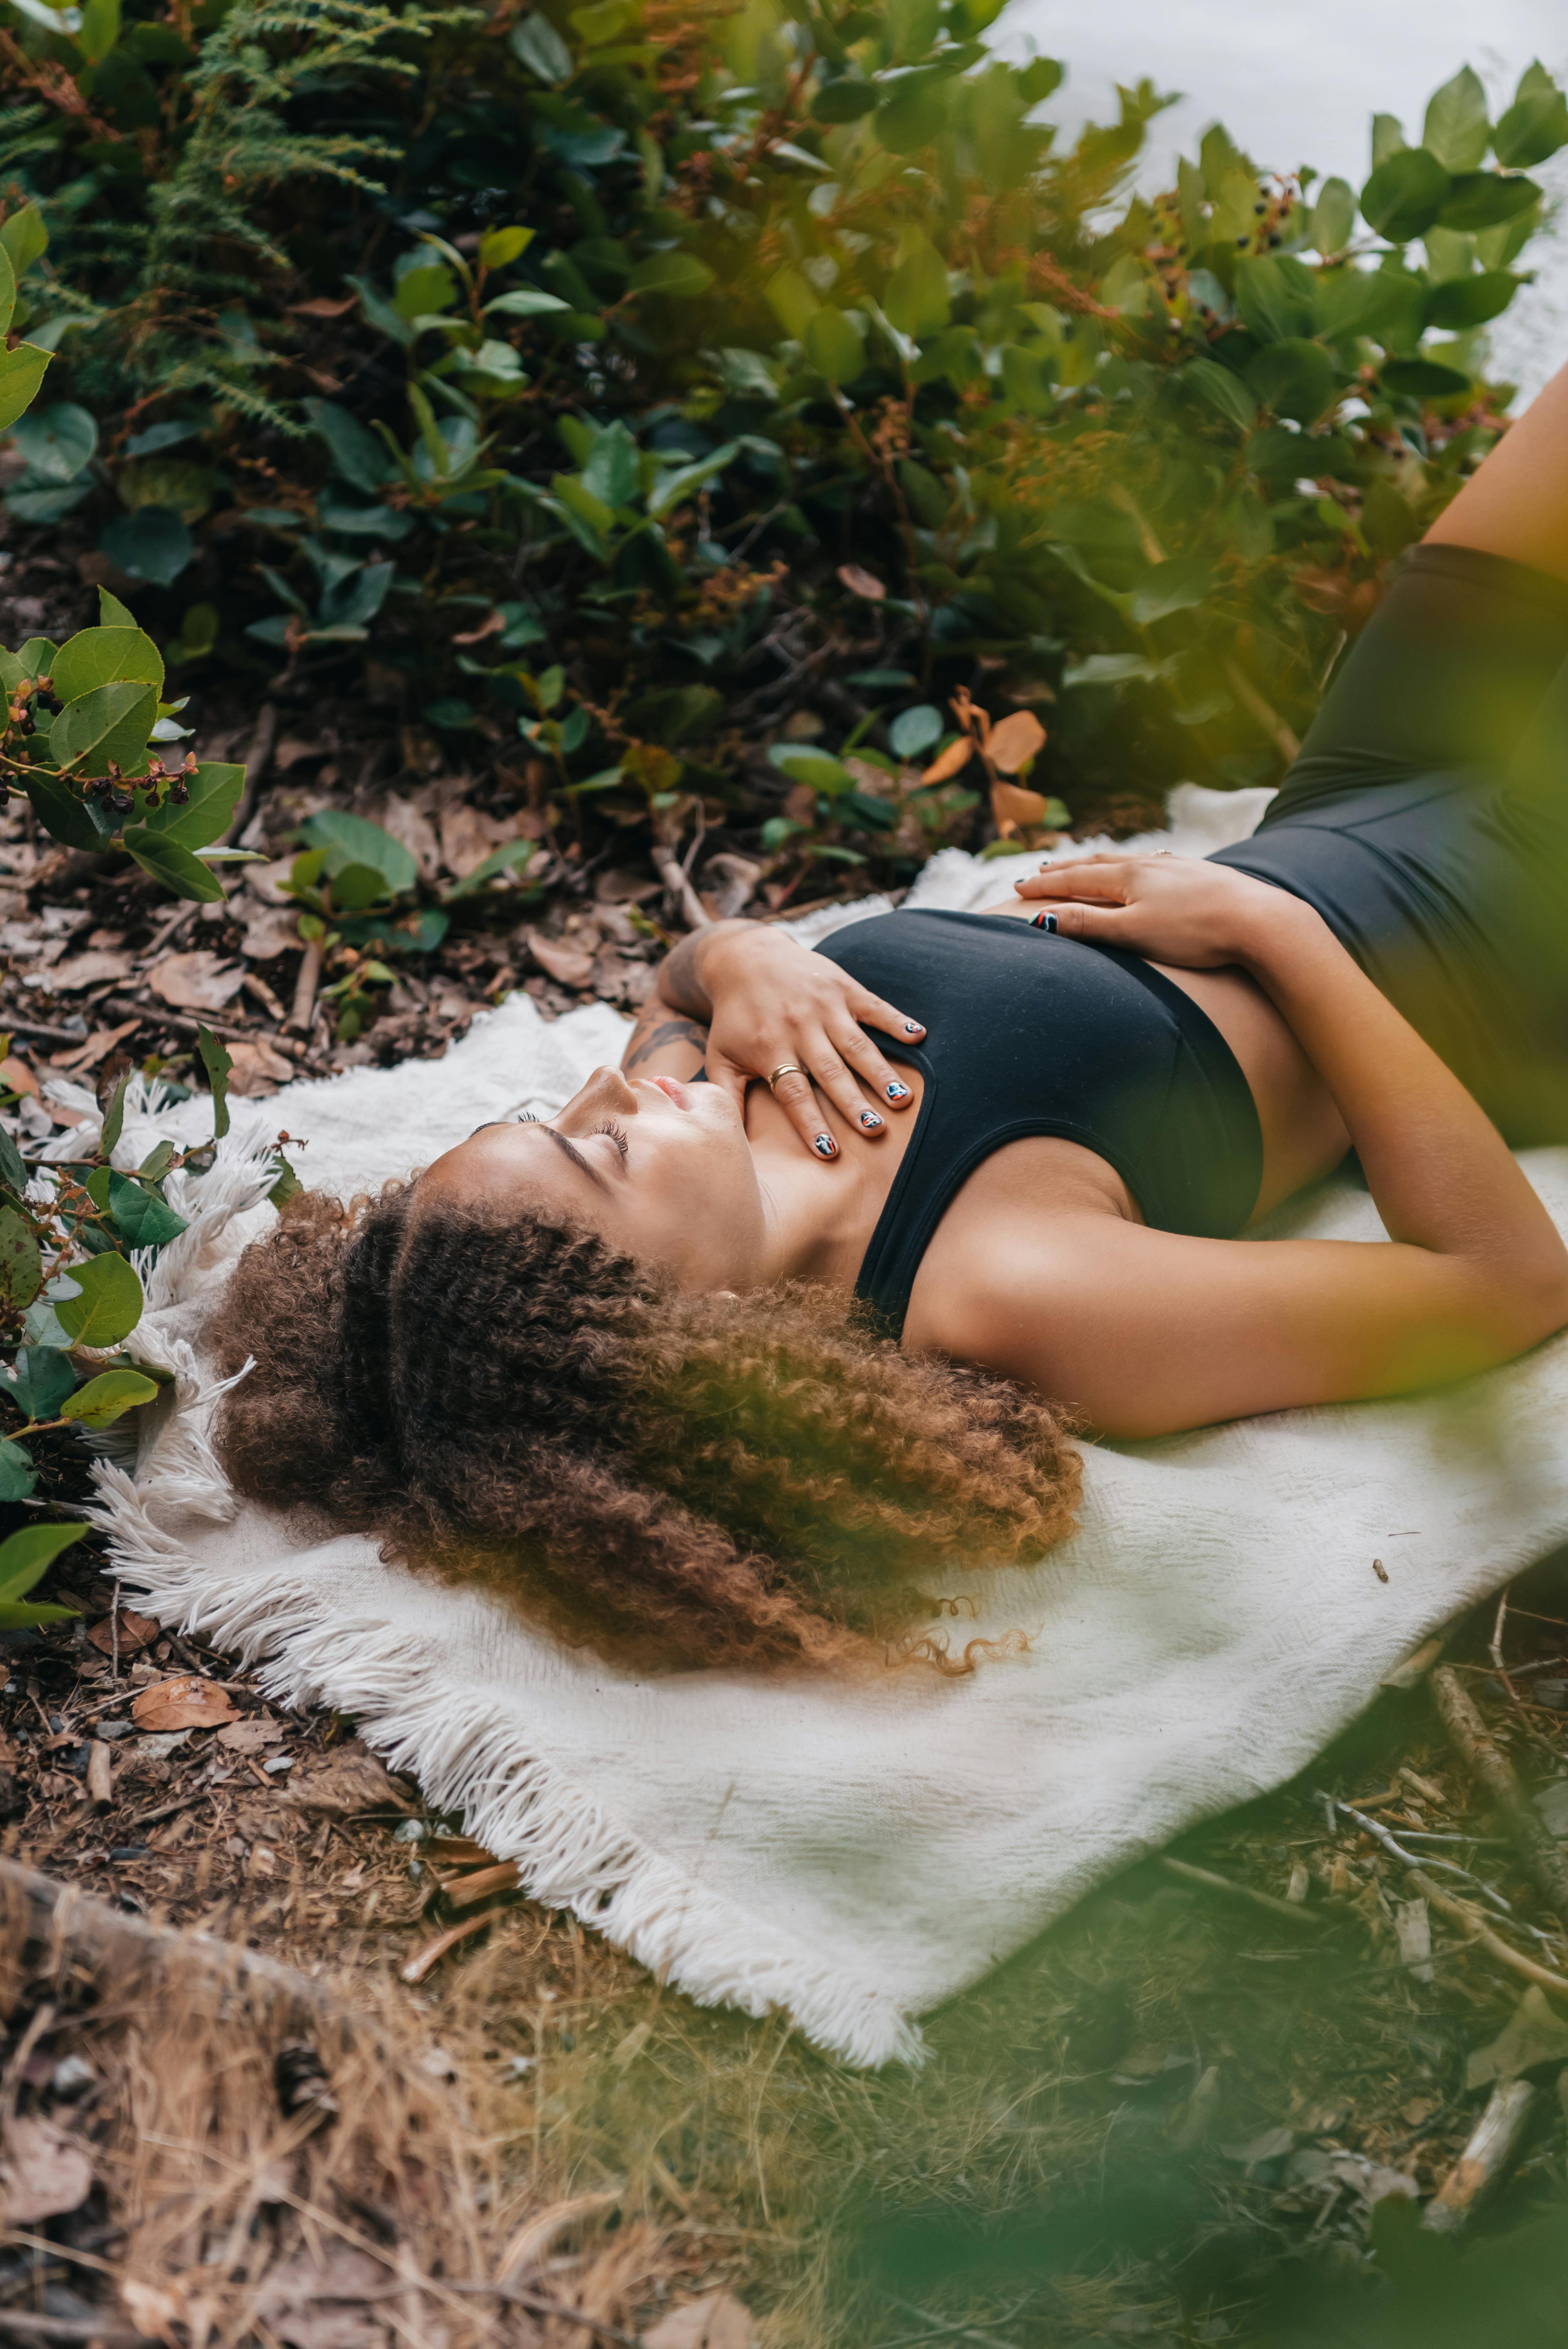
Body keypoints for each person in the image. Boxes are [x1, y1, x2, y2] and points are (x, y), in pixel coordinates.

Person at [218, 366, 1568, 1675]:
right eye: (599, 1152)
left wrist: (741, 953)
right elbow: (1499, 1286)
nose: (612, 1091)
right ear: (667, 1329)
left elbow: (679, 988)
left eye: (559, 1109)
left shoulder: (720, 1108)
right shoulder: (1000, 1286)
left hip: (1353, 794)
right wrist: (1277, 934)